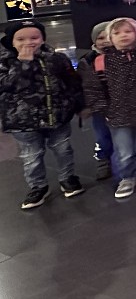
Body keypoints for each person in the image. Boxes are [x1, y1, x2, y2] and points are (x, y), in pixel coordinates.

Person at [1, 20, 85, 209]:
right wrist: (23, 64)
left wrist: (79, 105)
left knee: (63, 149)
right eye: (21, 39)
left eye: (34, 37)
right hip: (22, 121)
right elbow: (6, 85)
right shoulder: (5, 63)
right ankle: (38, 186)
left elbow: (72, 83)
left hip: (57, 116)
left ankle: (67, 178)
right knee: (31, 156)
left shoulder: (56, 58)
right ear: (11, 41)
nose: (28, 42)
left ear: (43, 39)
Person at [80, 17, 136, 198]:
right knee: (124, 151)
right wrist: (105, 111)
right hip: (117, 116)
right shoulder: (101, 62)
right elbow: (94, 89)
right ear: (110, 37)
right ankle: (127, 177)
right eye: (117, 33)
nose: (123, 35)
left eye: (128, 31)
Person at [78, 21, 114, 180]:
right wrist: (85, 106)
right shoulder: (87, 61)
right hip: (99, 107)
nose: (105, 41)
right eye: (100, 38)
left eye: (109, 37)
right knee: (102, 136)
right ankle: (103, 161)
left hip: (122, 105)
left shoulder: (124, 56)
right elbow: (82, 85)